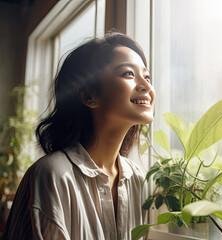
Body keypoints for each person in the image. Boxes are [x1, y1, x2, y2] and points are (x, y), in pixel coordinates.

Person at [1, 32, 155, 240]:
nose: (146, 86)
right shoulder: (51, 176)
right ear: (89, 95)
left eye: (146, 76)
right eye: (128, 73)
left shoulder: (139, 180)